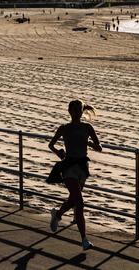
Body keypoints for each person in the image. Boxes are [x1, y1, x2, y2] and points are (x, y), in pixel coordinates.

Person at [48, 100, 102, 251]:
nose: (76, 112)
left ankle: (57, 214)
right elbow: (51, 144)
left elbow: (99, 148)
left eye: (79, 109)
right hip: (69, 166)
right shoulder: (64, 128)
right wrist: (58, 152)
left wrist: (90, 145)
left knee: (73, 200)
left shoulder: (87, 127)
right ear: (69, 112)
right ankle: (84, 239)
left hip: (82, 168)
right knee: (79, 201)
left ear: (82, 111)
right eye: (74, 110)